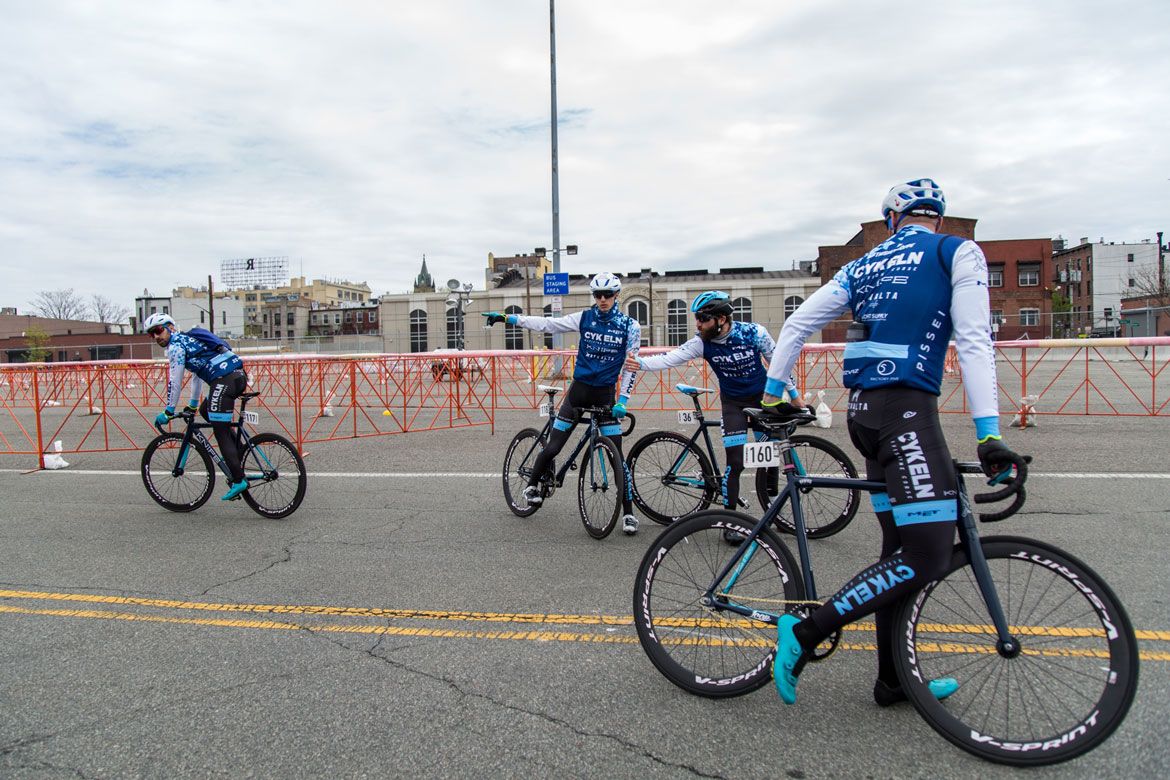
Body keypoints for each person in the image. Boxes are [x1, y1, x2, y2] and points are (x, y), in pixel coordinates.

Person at [758, 178, 1021, 707]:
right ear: (938, 219)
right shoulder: (956, 250)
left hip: (864, 417)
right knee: (924, 556)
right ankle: (807, 633)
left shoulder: (862, 265)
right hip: (906, 416)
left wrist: (771, 396)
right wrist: (989, 433)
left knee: (896, 552)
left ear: (893, 219)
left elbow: (795, 326)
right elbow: (973, 339)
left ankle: (893, 679)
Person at [625, 290, 793, 539]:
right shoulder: (701, 342)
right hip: (733, 404)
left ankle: (775, 513)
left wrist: (795, 395)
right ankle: (730, 524)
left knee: (770, 458)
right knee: (735, 463)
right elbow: (670, 358)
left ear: (722, 318)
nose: (698, 324)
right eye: (697, 318)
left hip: (763, 402)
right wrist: (640, 363)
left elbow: (779, 363)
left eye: (703, 318)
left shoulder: (754, 333)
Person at [484, 272, 642, 534]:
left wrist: (623, 400)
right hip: (578, 393)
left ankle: (628, 513)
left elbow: (632, 366)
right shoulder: (584, 318)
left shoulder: (630, 326)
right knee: (555, 446)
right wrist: (508, 318)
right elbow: (548, 324)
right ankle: (532, 484)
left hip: (605, 396)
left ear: (617, 296)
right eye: (597, 295)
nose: (602, 300)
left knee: (618, 459)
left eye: (607, 295)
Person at [145, 313, 251, 501]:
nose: (155, 337)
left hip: (225, 379)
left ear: (171, 327)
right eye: (151, 334)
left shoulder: (176, 346)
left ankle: (238, 480)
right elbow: (197, 376)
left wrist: (169, 411)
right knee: (205, 410)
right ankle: (239, 453)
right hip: (235, 376)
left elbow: (175, 382)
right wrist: (193, 405)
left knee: (221, 432)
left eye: (158, 330)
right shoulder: (188, 340)